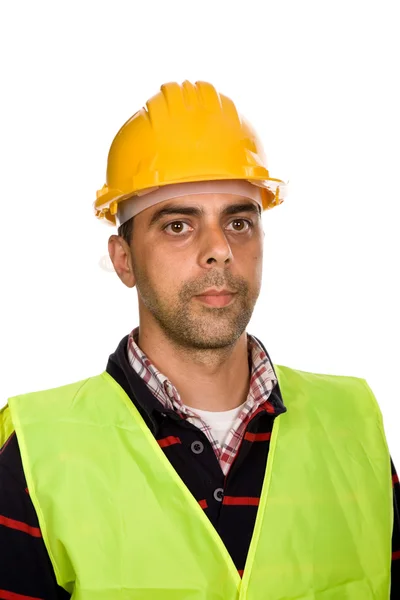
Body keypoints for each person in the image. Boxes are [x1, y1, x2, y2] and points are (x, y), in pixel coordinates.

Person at [0, 80, 399, 600]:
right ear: (124, 260)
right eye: (178, 226)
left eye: (238, 221)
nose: (219, 250)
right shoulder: (35, 455)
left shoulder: (355, 429)